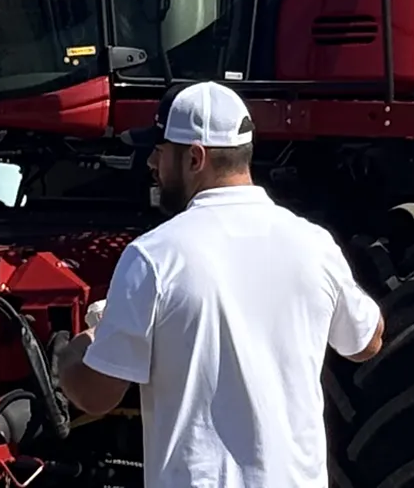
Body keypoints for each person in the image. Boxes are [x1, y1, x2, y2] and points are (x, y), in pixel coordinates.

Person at [56, 81, 385, 488]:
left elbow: (96, 395)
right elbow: (366, 343)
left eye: (159, 153)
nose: (151, 165)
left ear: (195, 158)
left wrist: (75, 350)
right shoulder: (314, 244)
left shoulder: (154, 257)